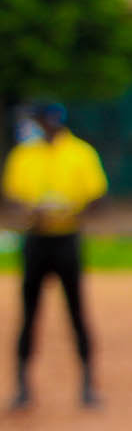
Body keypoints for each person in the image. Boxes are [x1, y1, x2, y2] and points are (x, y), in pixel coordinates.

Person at [5, 100, 107, 410]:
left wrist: (71, 212)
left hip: (66, 239)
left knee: (76, 312)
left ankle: (88, 384)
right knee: (29, 314)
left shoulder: (80, 153)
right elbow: (12, 195)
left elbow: (96, 197)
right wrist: (31, 213)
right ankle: (23, 387)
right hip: (35, 240)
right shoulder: (24, 155)